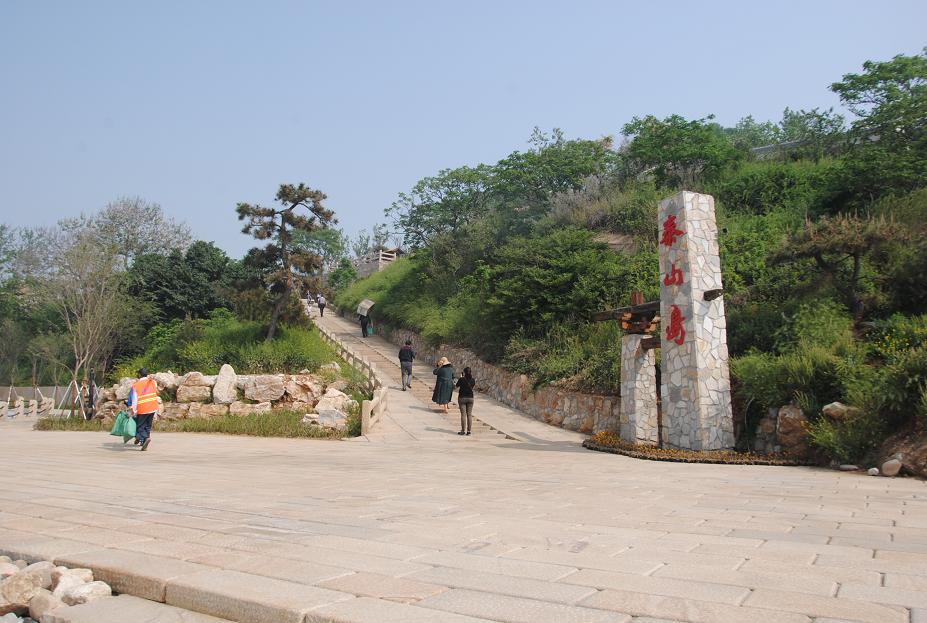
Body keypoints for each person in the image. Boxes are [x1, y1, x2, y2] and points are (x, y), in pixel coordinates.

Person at [128, 368, 160, 451]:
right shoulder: (152, 382)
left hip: (142, 408)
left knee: (140, 426)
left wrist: (133, 411)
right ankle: (145, 441)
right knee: (148, 426)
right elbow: (156, 390)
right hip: (153, 407)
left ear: (139, 375)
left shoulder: (136, 385)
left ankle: (145, 438)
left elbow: (134, 400)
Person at [456, 367, 476, 435]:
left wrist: (461, 377)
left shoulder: (461, 379)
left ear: (464, 372)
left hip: (462, 398)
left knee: (463, 414)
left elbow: (456, 386)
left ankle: (463, 431)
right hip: (470, 398)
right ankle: (469, 431)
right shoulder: (473, 380)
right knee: (469, 414)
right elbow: (472, 387)